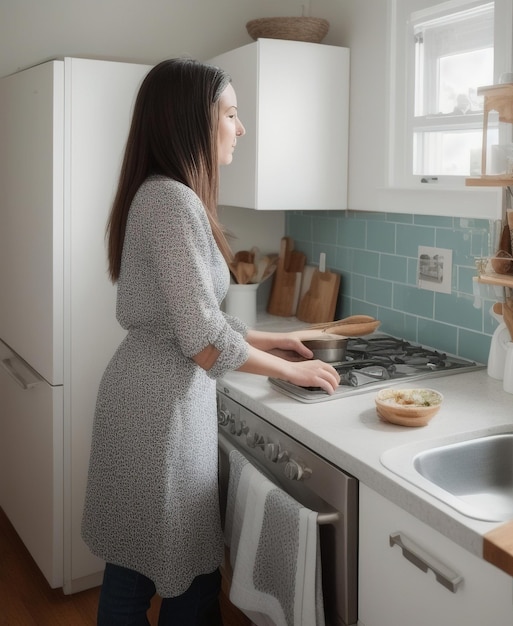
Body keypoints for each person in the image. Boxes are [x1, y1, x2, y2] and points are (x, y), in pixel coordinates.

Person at [81, 58, 340, 626]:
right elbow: (201, 343)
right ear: (192, 121)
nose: (240, 128)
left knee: (133, 567)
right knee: (190, 582)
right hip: (160, 413)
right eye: (231, 113)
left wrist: (278, 339)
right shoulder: (173, 201)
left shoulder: (154, 193)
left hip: (145, 398)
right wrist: (288, 371)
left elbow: (193, 320)